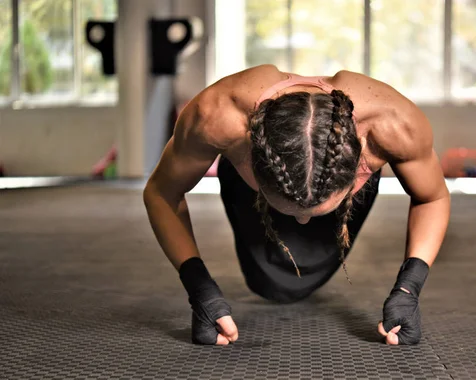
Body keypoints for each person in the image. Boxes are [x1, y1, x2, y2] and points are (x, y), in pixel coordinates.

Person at [143, 64, 450, 347]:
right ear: (252, 160)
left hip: (333, 194)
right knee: (269, 282)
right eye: (294, 213)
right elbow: (161, 192)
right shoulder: (217, 115)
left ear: (357, 166)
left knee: (293, 276)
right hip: (248, 194)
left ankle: (315, 207)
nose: (303, 223)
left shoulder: (394, 124)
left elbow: (432, 196)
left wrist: (409, 288)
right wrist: (200, 290)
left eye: (312, 214)